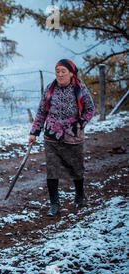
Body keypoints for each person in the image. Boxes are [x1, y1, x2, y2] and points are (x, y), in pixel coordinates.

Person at [29, 59, 95, 216]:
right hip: (52, 135)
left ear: (72, 73)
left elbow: (90, 109)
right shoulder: (50, 89)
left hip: (73, 135)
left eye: (63, 71)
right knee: (52, 170)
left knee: (76, 168)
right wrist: (34, 132)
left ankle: (79, 195)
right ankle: (54, 203)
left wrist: (80, 124)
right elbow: (41, 113)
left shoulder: (80, 89)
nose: (59, 74)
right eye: (57, 71)